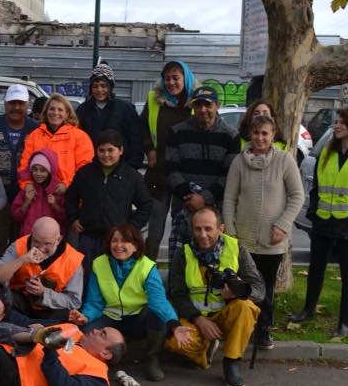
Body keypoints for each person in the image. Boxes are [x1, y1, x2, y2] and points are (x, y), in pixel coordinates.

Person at [290, 108, 348, 339]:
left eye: (342, 123)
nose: (337, 126)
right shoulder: (327, 153)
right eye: (336, 122)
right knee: (315, 270)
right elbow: (317, 187)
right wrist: (314, 212)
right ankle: (308, 310)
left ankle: (344, 322)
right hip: (322, 222)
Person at [70, 224, 195, 381]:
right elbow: (95, 302)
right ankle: (88, 364)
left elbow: (158, 301)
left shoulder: (146, 266)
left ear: (136, 246)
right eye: (114, 241)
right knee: (84, 331)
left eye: (125, 241)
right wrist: (85, 316)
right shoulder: (99, 263)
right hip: (110, 318)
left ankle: (152, 359)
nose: (118, 245)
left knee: (156, 314)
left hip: (138, 319)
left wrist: (175, 325)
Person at [223, 114, 304, 349]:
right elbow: (229, 199)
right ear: (250, 133)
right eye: (256, 133)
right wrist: (230, 231)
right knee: (244, 285)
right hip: (244, 239)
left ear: (272, 134)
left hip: (272, 239)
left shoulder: (284, 161)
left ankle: (264, 329)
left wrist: (283, 224)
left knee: (266, 288)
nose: (260, 138)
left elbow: (297, 196)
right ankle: (243, 327)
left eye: (265, 133)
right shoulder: (239, 162)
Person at [164, 207, 265, 386]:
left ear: (221, 228)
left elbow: (259, 290)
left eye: (208, 229)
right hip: (196, 318)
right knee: (175, 343)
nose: (203, 235)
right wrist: (199, 320)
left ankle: (232, 362)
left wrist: (239, 292)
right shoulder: (183, 254)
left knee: (246, 306)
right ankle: (204, 351)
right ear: (192, 230)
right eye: (197, 229)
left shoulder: (237, 249)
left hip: (227, 316)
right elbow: (177, 293)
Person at [164, 85, 240, 257]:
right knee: (181, 259)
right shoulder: (177, 131)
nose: (202, 109)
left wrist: (204, 198)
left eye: (208, 104)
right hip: (184, 205)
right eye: (198, 105)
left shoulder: (231, 135)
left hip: (215, 209)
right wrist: (190, 197)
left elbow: (229, 175)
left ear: (217, 105)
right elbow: (171, 169)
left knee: (212, 259)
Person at [139, 60, 198, 258]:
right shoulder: (154, 100)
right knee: (154, 228)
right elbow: (142, 127)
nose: (171, 83)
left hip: (185, 175)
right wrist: (149, 149)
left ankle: (179, 275)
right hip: (159, 173)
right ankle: (148, 270)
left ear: (185, 78)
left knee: (183, 228)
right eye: (167, 78)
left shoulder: (196, 102)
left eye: (176, 78)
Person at [65, 129, 152, 262]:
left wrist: (131, 227)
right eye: (101, 150)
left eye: (110, 150)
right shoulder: (85, 173)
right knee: (88, 275)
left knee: (114, 277)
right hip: (88, 237)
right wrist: (73, 217)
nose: (106, 155)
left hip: (117, 241)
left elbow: (146, 204)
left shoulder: (132, 177)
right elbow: (70, 196)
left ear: (120, 150)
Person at [0, 216, 85, 321]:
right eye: (36, 241)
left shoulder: (73, 260)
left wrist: (44, 292)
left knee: (68, 316)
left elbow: (74, 302)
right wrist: (22, 260)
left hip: (49, 309)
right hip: (19, 301)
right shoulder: (19, 245)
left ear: (58, 239)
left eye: (47, 244)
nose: (41, 248)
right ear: (32, 235)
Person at [0, 84, 39, 253]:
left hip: (27, 198)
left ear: (27, 105)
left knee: (22, 243)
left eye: (20, 103)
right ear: (5, 103)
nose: (16, 107)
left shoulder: (35, 129)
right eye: (12, 103)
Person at [17, 94, 94, 194]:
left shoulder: (80, 137)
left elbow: (85, 168)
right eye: (52, 109)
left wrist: (67, 183)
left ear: (67, 114)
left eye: (60, 110)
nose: (55, 113)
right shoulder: (34, 136)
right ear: (46, 112)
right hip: (39, 195)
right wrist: (27, 183)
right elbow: (25, 164)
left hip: (70, 194)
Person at [75, 62, 144, 168]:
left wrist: (132, 167)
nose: (99, 90)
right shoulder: (82, 110)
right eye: (95, 86)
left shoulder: (125, 109)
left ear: (110, 87)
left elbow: (136, 140)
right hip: (91, 167)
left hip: (121, 167)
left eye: (103, 86)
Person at [11, 148, 65, 237]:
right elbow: (16, 217)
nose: (38, 173)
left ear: (50, 171)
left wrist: (55, 205)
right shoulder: (27, 190)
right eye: (35, 169)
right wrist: (27, 202)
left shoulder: (58, 191)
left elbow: (65, 219)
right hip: (28, 239)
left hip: (50, 241)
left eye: (43, 170)